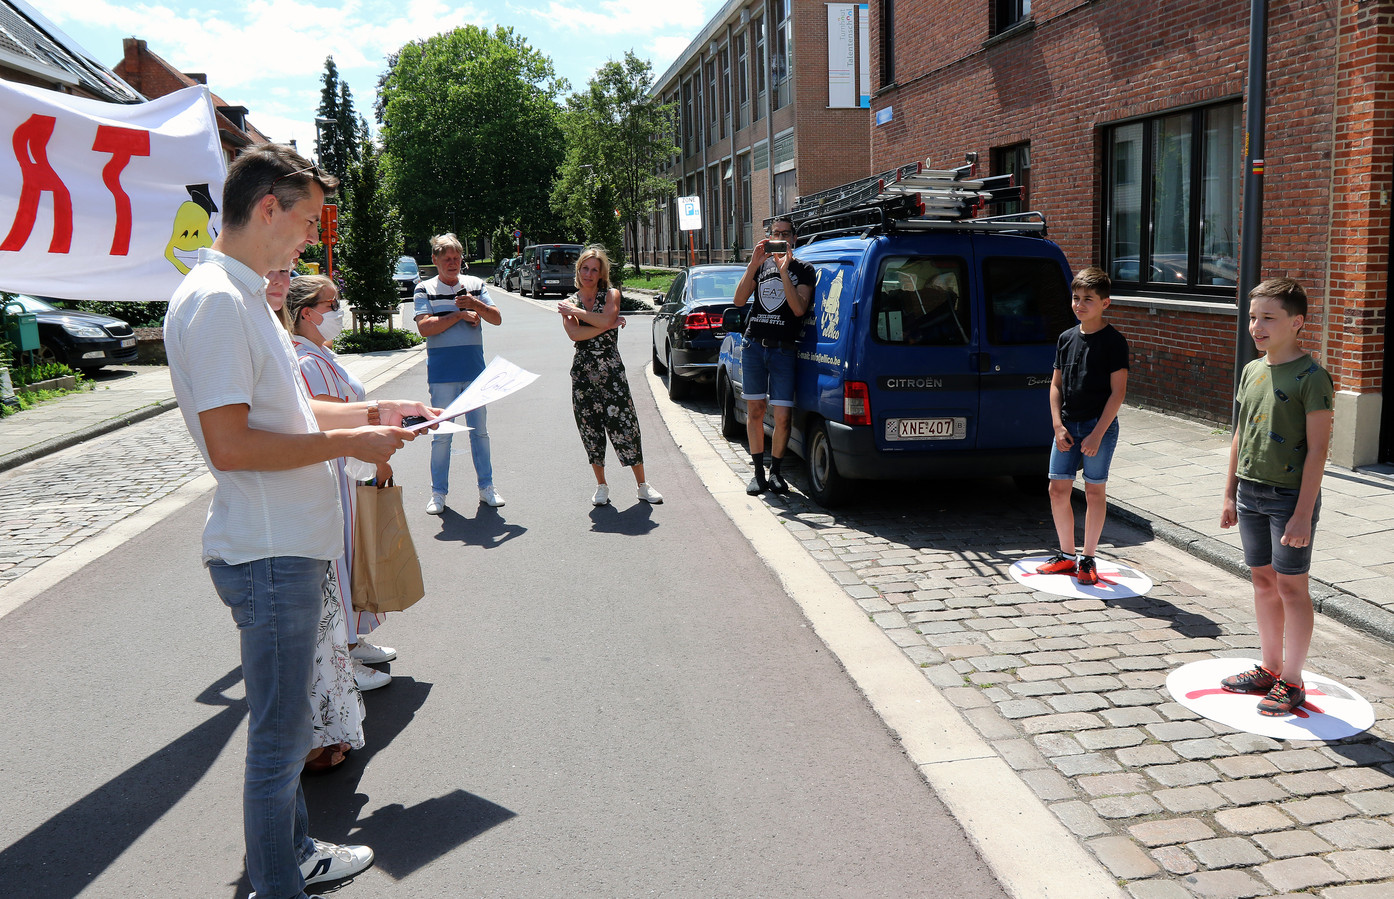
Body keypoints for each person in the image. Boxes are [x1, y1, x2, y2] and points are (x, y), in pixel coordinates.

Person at [164, 143, 434, 899]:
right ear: (267, 208)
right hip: (269, 551)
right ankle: (278, 884)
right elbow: (232, 442)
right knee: (281, 742)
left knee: (284, 734)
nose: (310, 239)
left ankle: (294, 854)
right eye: (306, 220)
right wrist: (354, 440)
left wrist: (377, 410)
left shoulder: (240, 293)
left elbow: (286, 409)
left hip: (285, 545)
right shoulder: (219, 300)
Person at [1219, 278, 1333, 716]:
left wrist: (1303, 514)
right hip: (1249, 492)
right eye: (1252, 317)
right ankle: (1269, 667)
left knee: (1291, 586)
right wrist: (1229, 494)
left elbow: (1319, 450)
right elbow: (1239, 435)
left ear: (1297, 322)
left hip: (1289, 500)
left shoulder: (1312, 377)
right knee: (1263, 581)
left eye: (1268, 317)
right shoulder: (1251, 370)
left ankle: (1293, 679)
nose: (1256, 326)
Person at [285, 274, 394, 699]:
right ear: (307, 313)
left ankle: (354, 640)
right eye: (331, 304)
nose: (339, 310)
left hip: (346, 472)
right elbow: (337, 419)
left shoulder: (320, 353)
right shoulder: (308, 362)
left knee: (354, 556)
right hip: (334, 475)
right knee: (344, 558)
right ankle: (343, 655)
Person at [1037, 267, 1129, 586]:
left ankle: (1088, 558)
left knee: (1094, 491)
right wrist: (1057, 425)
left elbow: (1118, 392)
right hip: (1067, 425)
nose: (1079, 305)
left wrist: (1097, 433)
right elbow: (1056, 386)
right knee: (1057, 489)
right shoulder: (1066, 338)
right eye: (1075, 298)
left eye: (1088, 299)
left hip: (1097, 428)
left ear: (1105, 303)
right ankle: (1065, 555)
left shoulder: (1114, 342)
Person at [556, 245, 663, 506]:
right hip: (583, 373)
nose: (589, 273)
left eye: (595, 269)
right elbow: (575, 335)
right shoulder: (568, 302)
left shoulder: (610, 294)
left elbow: (605, 320)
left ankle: (642, 485)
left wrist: (587, 316)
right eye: (585, 268)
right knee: (590, 428)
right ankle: (601, 485)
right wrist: (605, 324)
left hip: (611, 370)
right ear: (578, 270)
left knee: (626, 425)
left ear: (602, 273)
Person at [413, 234, 505, 515]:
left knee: (480, 433)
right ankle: (438, 493)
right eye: (447, 259)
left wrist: (475, 305)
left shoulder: (475, 285)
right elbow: (425, 328)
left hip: (475, 373)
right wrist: (458, 314)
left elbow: (497, 318)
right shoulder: (424, 288)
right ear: (435, 261)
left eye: (457, 258)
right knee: (442, 436)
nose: (453, 264)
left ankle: (487, 487)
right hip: (442, 373)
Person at [732, 217, 815, 495]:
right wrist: (754, 263)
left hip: (784, 349)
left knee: (782, 416)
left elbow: (799, 308)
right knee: (755, 410)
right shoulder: (760, 264)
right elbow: (739, 300)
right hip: (754, 344)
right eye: (774, 233)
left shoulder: (803, 269)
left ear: (793, 238)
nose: (779, 237)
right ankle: (757, 473)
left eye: (784, 233)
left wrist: (783, 271)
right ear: (767, 237)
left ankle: (776, 472)